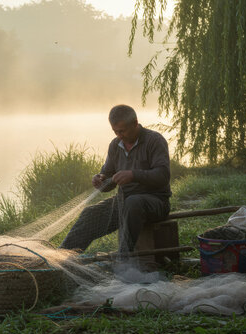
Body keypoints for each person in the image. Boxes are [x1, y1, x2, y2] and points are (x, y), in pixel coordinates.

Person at [59, 104, 171, 253]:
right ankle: (62, 258)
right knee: (89, 214)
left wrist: (133, 175)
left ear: (135, 124)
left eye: (122, 131)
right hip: (123, 201)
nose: (119, 135)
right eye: (115, 131)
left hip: (155, 202)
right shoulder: (115, 145)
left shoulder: (155, 141)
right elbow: (108, 179)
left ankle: (123, 260)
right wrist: (100, 179)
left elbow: (163, 176)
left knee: (133, 203)